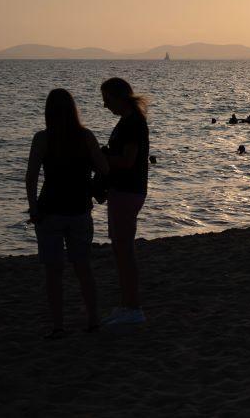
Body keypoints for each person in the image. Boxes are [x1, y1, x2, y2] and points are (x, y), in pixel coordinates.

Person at [25, 89, 110, 338]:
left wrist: (33, 207)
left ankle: (58, 326)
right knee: (83, 269)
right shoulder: (85, 137)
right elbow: (105, 169)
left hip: (49, 210)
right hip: (79, 209)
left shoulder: (42, 138)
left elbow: (31, 177)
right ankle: (93, 321)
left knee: (53, 273)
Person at [100, 77, 150, 326]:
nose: (105, 105)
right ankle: (127, 304)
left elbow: (128, 161)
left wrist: (102, 158)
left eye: (107, 100)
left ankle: (133, 307)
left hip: (127, 191)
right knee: (121, 250)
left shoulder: (133, 124)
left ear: (119, 97)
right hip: (125, 190)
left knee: (125, 251)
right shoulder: (129, 122)